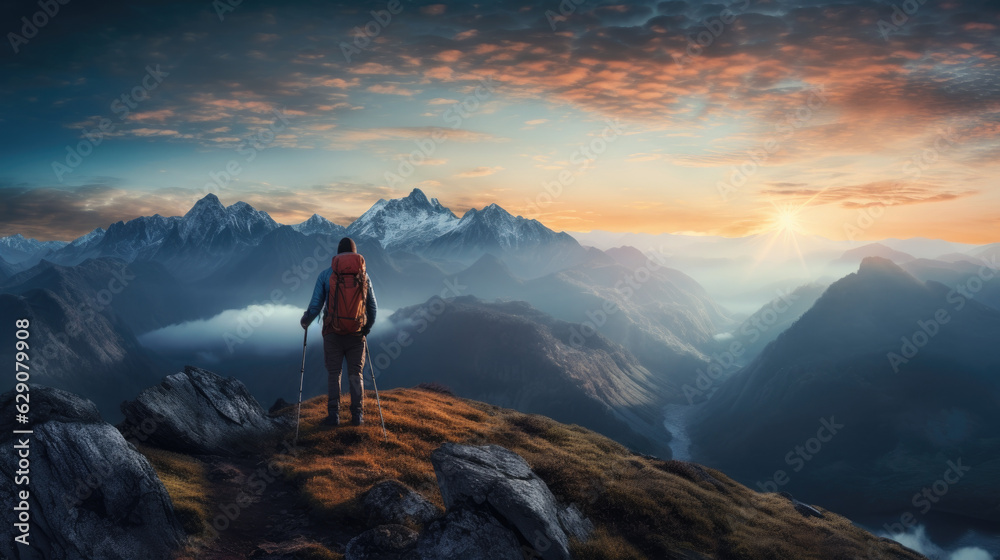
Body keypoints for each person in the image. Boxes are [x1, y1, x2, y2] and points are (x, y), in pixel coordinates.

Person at [300, 237, 377, 427]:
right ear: (355, 253)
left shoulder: (326, 275)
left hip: (332, 332)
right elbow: (372, 307)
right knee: (356, 374)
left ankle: (333, 416)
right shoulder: (364, 276)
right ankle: (357, 416)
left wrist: (306, 321)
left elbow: (316, 305)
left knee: (334, 373)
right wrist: (367, 328)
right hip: (357, 334)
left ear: (337, 254)